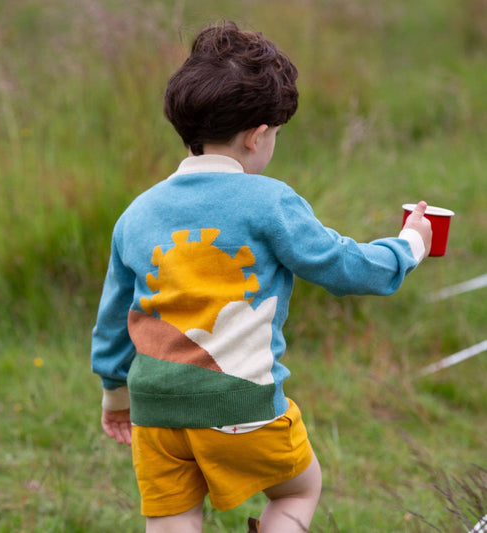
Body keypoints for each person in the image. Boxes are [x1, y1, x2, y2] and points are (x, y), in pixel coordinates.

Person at [91, 20, 432, 533]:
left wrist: (115, 394)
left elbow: (116, 317)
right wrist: (407, 247)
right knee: (300, 489)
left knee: (170, 521)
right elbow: (342, 265)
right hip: (244, 405)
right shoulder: (269, 200)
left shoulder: (138, 213)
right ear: (258, 136)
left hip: (155, 412)